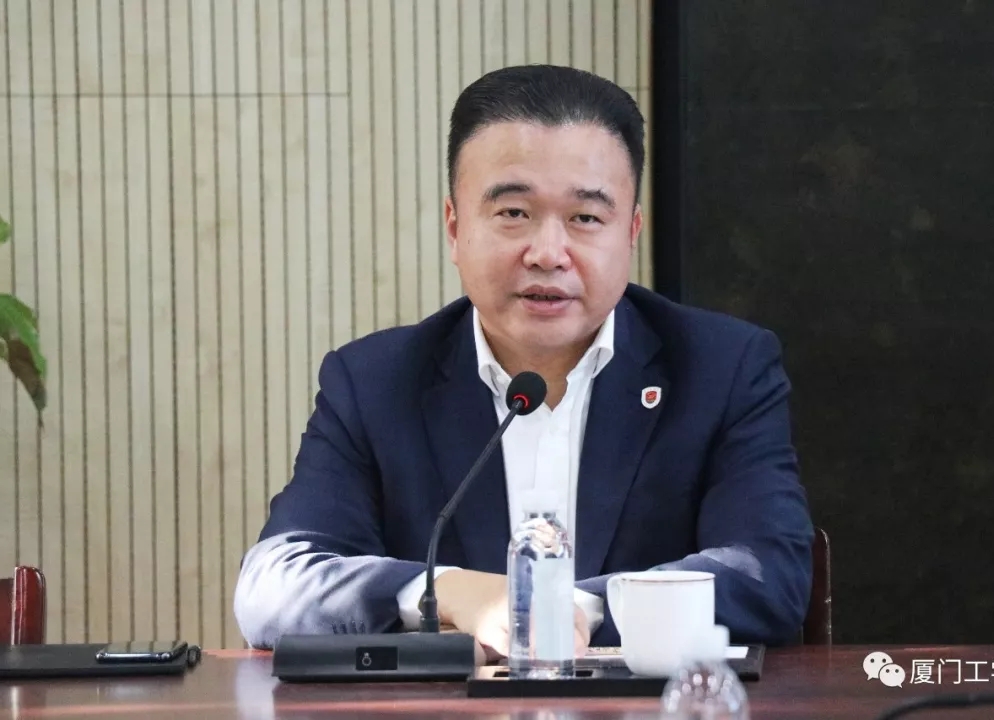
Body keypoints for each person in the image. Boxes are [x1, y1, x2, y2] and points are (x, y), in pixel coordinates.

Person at [234, 64, 815, 658]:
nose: (548, 253)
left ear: (631, 232)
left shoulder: (722, 368)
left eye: (586, 218)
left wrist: (569, 610)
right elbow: (276, 584)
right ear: (455, 228)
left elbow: (767, 572)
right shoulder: (375, 382)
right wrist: (455, 594)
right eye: (514, 213)